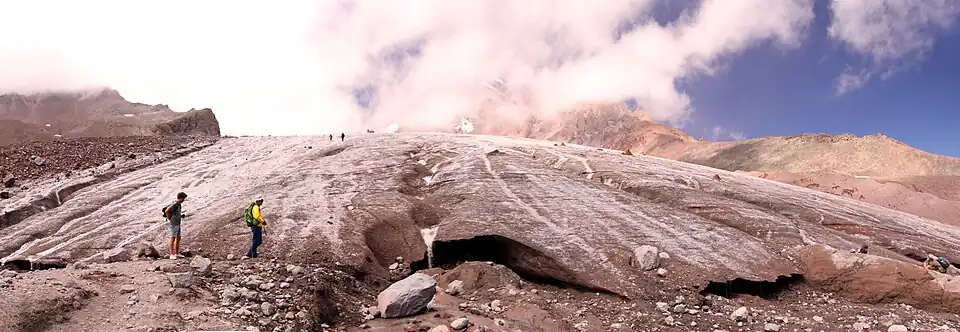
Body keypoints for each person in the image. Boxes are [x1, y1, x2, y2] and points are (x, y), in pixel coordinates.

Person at [164, 192, 188, 259]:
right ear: (180, 198)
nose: (184, 200)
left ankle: (177, 253)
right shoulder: (175, 204)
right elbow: (167, 211)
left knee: (178, 238)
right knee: (173, 238)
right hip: (174, 223)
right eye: (183, 198)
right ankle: (171, 254)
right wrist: (170, 218)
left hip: (178, 223)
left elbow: (176, 213)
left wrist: (180, 216)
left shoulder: (179, 204)